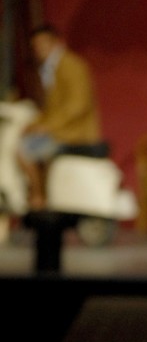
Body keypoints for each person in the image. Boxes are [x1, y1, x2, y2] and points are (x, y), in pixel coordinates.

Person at [17, 23, 101, 209]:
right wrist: (35, 124)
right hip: (61, 130)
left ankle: (39, 197)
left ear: (55, 42)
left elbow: (77, 105)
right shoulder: (53, 68)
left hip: (74, 133)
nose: (39, 49)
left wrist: (47, 126)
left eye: (43, 44)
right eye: (36, 46)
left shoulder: (71, 66)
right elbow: (52, 108)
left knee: (24, 151)